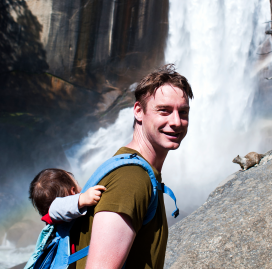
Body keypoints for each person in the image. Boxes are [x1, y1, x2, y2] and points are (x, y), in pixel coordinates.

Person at [70, 64, 193, 269]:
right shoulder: (131, 179)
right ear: (138, 111)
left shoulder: (135, 169)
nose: (176, 121)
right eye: (164, 111)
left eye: (183, 112)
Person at [29, 168, 106, 224]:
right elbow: (55, 207)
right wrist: (82, 198)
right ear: (73, 191)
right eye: (77, 183)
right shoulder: (54, 213)